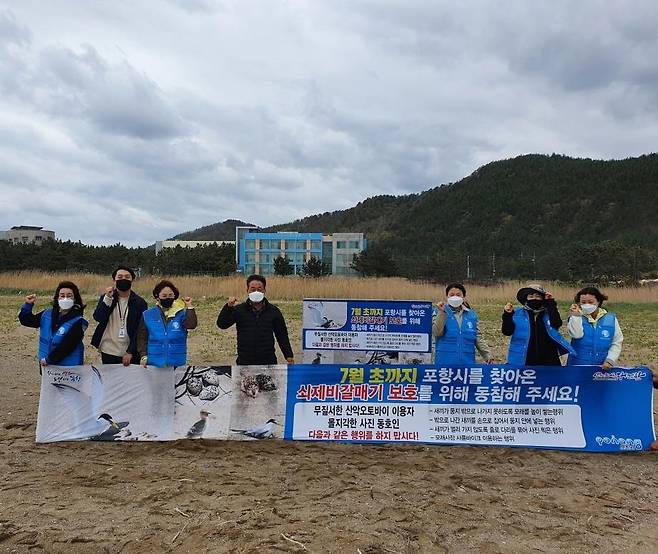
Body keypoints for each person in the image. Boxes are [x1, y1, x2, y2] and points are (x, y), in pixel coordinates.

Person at [217, 274, 294, 365]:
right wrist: (228, 307)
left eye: (259, 289)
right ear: (248, 291)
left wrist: (288, 355)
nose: (256, 292)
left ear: (264, 290)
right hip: (244, 361)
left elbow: (282, 335)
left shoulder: (273, 311)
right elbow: (222, 324)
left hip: (268, 361)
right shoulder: (239, 310)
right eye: (253, 289)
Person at [18, 281, 88, 369]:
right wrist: (28, 305)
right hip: (47, 365)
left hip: (69, 367)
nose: (65, 298)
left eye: (69, 296)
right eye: (62, 295)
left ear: (74, 299)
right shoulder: (47, 314)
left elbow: (68, 345)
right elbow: (27, 321)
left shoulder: (78, 321)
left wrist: (49, 360)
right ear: (57, 298)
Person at [502, 283, 574, 366]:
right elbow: (507, 331)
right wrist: (507, 315)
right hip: (523, 357)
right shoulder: (517, 313)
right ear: (526, 299)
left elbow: (557, 324)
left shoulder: (549, 313)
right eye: (531, 296)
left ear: (542, 299)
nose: (534, 298)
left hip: (549, 357)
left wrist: (551, 303)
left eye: (537, 296)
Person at [91, 266, 148, 366]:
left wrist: (131, 351)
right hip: (108, 349)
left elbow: (140, 330)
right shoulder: (107, 298)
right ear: (114, 279)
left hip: (130, 352)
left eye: (127, 277)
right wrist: (108, 299)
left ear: (132, 280)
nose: (123, 279)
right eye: (120, 277)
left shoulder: (140, 302)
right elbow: (98, 317)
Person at [136, 280, 197, 368]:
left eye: (170, 295)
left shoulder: (181, 313)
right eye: (164, 296)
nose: (167, 298)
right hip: (154, 361)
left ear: (175, 295)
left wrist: (189, 307)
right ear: (157, 296)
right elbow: (142, 337)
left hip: (177, 360)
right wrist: (143, 355)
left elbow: (191, 325)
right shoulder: (148, 314)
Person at [434, 283, 493, 365]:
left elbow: (477, 337)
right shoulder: (438, 312)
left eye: (458, 295)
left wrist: (487, 355)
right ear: (447, 297)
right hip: (445, 362)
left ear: (463, 297)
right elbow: (437, 333)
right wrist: (442, 312)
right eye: (451, 295)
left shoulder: (471, 314)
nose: (455, 297)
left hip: (467, 362)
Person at [567, 286, 623, 369]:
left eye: (590, 302)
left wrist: (610, 360)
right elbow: (576, 335)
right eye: (583, 302)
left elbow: (617, 341)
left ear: (598, 301)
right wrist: (576, 316)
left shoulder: (611, 319)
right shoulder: (576, 317)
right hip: (578, 365)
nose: (587, 305)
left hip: (602, 366)